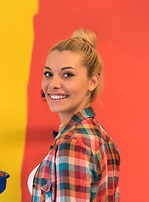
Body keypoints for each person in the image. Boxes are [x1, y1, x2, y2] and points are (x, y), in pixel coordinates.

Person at [30, 28, 120, 201]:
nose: (53, 84)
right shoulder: (99, 136)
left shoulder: (73, 143)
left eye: (67, 75)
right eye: (48, 74)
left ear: (92, 82)